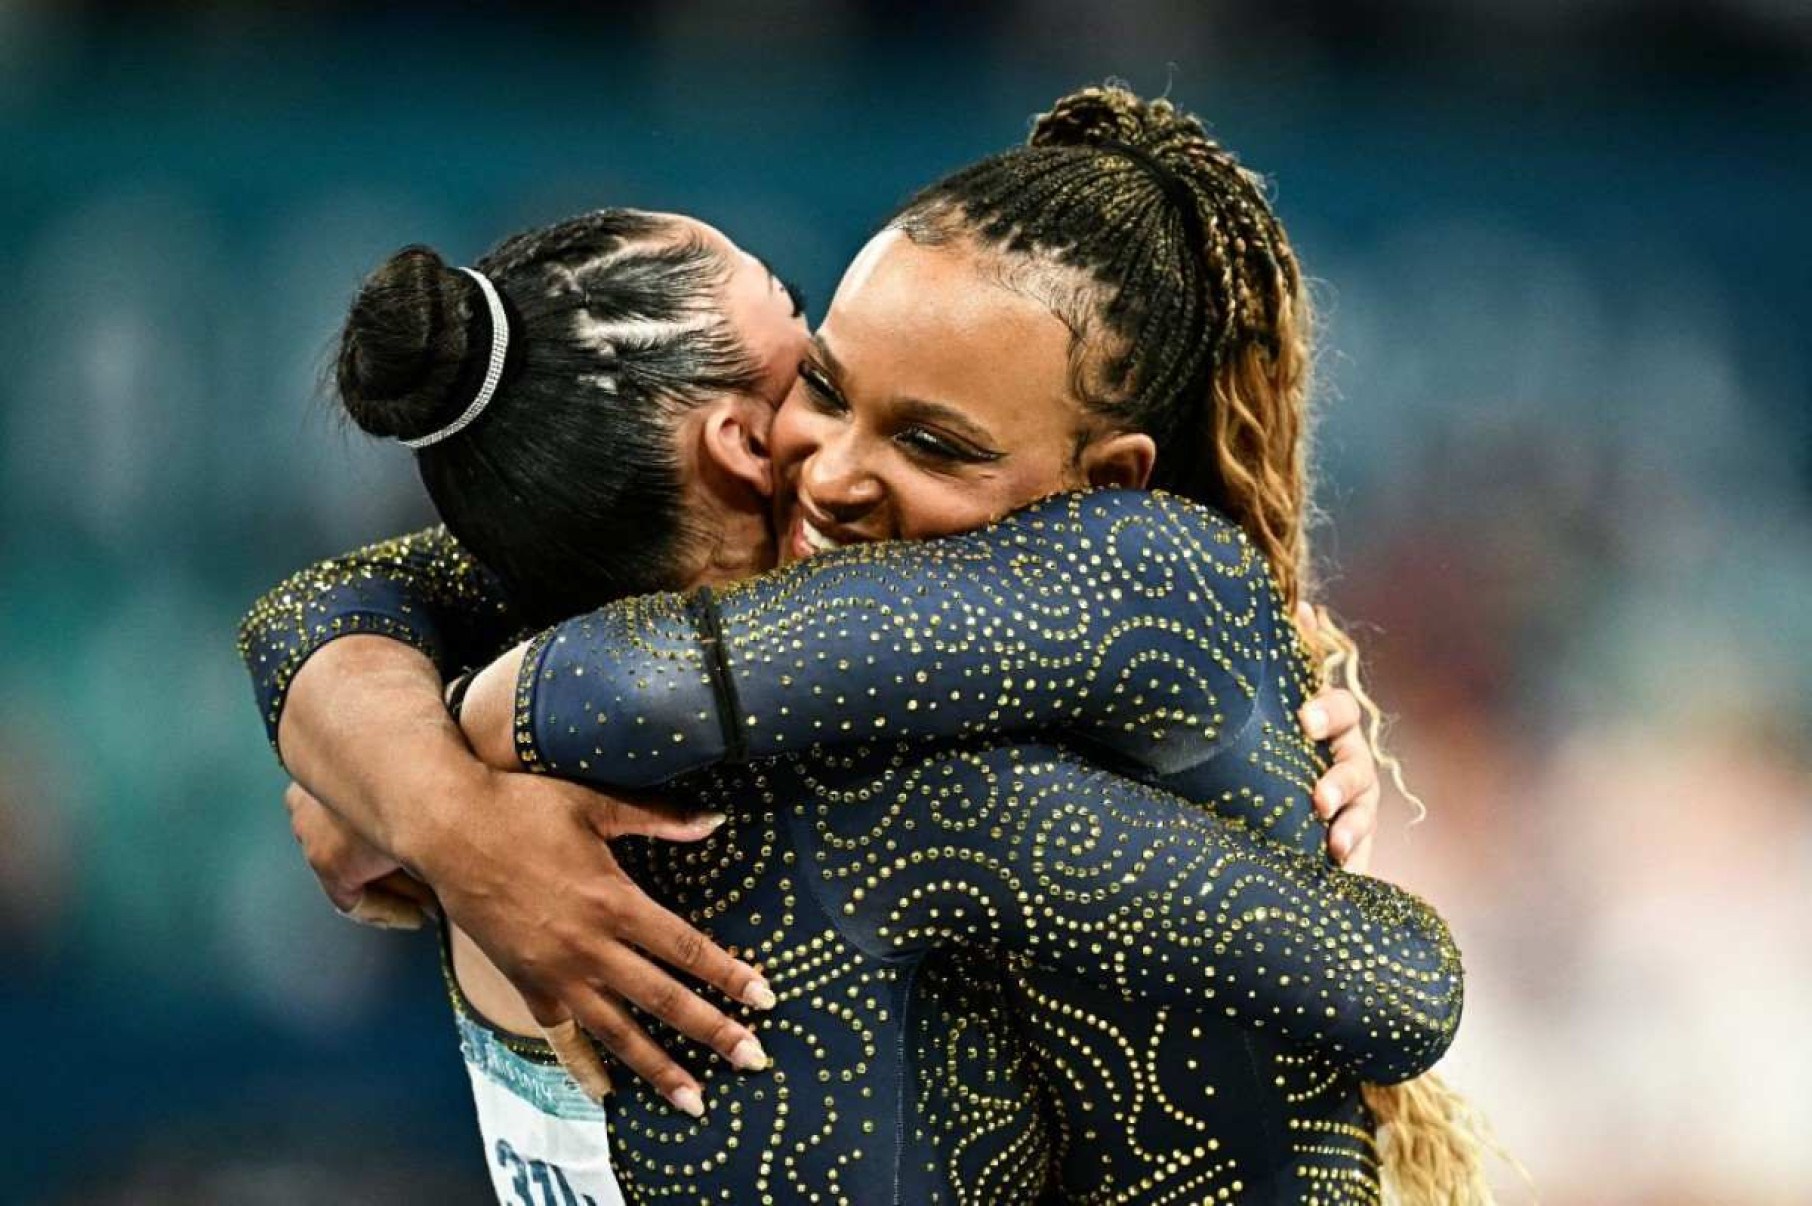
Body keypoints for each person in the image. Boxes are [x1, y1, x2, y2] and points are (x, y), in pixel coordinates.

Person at [243, 85, 1475, 1201]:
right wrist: (433, 801)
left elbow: (565, 674)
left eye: (933, 444)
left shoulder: (1130, 586)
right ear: (738, 440)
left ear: (1108, 481)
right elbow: (320, 619)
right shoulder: (886, 774)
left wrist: (436, 787)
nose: (830, 474)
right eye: (823, 387)